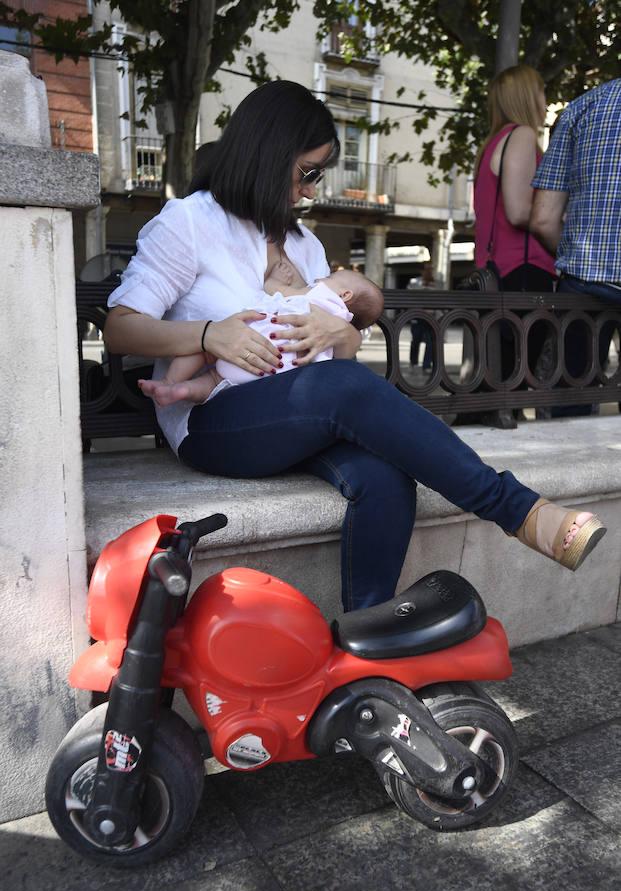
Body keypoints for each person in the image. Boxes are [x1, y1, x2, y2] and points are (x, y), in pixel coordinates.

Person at [104, 80, 606, 612]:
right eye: (308, 172)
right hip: (215, 420)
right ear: (269, 153)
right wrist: (208, 334)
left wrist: (340, 334)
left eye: (318, 176)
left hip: (301, 413)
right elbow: (121, 327)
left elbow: (337, 351)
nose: (312, 190)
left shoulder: (305, 244)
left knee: (388, 475)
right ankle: (518, 511)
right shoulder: (190, 222)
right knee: (339, 388)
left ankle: (365, 637)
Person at [139, 266, 383, 406]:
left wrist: (274, 280)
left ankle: (171, 384)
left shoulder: (320, 297)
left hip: (249, 343)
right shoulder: (338, 323)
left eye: (330, 278)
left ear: (345, 295)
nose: (321, 279)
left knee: (204, 352)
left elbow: (277, 290)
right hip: (273, 379)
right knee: (215, 381)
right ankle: (186, 391)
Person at [530, 78, 621, 415]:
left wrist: (584, 259)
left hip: (584, 284)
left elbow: (542, 219)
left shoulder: (582, 108)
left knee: (572, 406)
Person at [474, 64, 556, 402]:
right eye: (540, 90)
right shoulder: (522, 135)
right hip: (521, 274)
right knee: (509, 388)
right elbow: (520, 210)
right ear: (526, 94)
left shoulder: (493, 142)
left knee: (497, 383)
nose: (544, 99)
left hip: (494, 274)